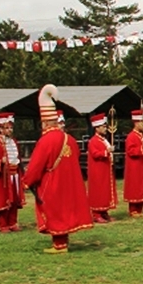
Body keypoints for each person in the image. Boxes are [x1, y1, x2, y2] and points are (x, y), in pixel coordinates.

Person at [23, 85, 92, 254]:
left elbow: (37, 165)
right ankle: (63, 241)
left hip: (52, 183)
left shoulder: (46, 141)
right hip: (68, 182)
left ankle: (60, 244)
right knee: (65, 210)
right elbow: (75, 157)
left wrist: (27, 181)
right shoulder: (70, 139)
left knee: (55, 212)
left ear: (44, 122)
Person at [0, 111, 24, 232]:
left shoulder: (14, 141)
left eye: (11, 127)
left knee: (14, 199)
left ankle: (13, 222)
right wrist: (0, 161)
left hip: (14, 174)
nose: (10, 130)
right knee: (3, 199)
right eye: (7, 128)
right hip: (2, 176)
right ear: (1, 128)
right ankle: (3, 224)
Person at [86, 113, 117, 224]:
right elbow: (95, 154)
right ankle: (96, 213)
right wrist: (106, 152)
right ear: (97, 127)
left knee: (105, 190)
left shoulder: (103, 140)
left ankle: (104, 211)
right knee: (99, 191)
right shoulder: (93, 141)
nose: (105, 129)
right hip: (98, 171)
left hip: (105, 169)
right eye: (103, 127)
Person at [123, 109, 143, 217]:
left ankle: (139, 208)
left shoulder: (141, 135)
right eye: (142, 122)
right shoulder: (131, 136)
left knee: (141, 186)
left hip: (142, 166)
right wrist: (141, 149)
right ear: (136, 123)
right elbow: (130, 151)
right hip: (135, 167)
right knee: (135, 186)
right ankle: (133, 209)